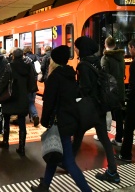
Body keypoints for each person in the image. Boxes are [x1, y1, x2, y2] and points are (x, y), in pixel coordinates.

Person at [30, 45, 92, 192]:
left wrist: (45, 121)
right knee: (54, 153)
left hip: (60, 123)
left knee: (69, 162)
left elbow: (49, 103)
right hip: (70, 119)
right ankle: (45, 186)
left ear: (54, 60)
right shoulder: (70, 75)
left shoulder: (54, 78)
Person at [73, 36, 120, 184]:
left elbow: (85, 88)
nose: (75, 49)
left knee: (79, 132)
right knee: (105, 139)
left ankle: (67, 162)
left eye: (76, 47)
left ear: (82, 49)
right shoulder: (97, 60)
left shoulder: (83, 65)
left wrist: (75, 91)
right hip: (100, 106)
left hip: (90, 107)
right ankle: (113, 171)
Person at [0, 48, 36, 156]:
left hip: (10, 97)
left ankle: (5, 141)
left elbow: (4, 82)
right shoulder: (28, 66)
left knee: (7, 119)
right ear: (22, 56)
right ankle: (21, 147)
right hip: (22, 97)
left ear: (13, 56)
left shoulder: (9, 66)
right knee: (22, 123)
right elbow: (32, 82)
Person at [100, 36, 125, 147]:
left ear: (105, 45)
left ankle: (103, 137)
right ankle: (119, 138)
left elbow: (105, 76)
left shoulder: (106, 58)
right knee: (119, 115)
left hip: (110, 90)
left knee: (104, 113)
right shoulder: (121, 57)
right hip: (120, 89)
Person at [23, 48, 40, 127]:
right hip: (34, 84)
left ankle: (34, 115)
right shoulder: (35, 57)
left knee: (29, 102)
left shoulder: (25, 62)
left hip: (28, 86)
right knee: (31, 102)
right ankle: (34, 116)